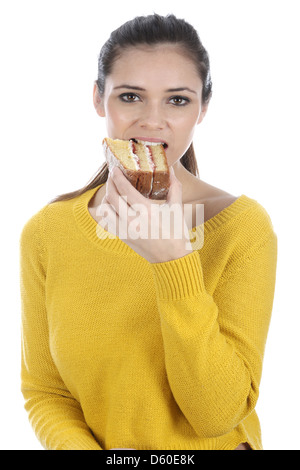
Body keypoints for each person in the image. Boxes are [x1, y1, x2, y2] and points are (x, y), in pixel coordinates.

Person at [19, 13, 277, 451]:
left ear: (203, 108)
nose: (152, 121)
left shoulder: (243, 229)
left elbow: (218, 415)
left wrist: (172, 260)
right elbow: (46, 392)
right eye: (131, 96)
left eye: (177, 100)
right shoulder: (47, 233)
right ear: (99, 99)